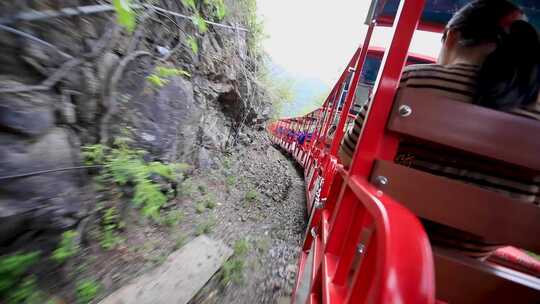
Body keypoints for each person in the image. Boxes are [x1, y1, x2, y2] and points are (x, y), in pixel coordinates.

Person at [339, 0, 540, 258]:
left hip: (382, 248)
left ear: (451, 37)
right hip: (471, 275)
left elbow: (348, 156)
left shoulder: (412, 81)